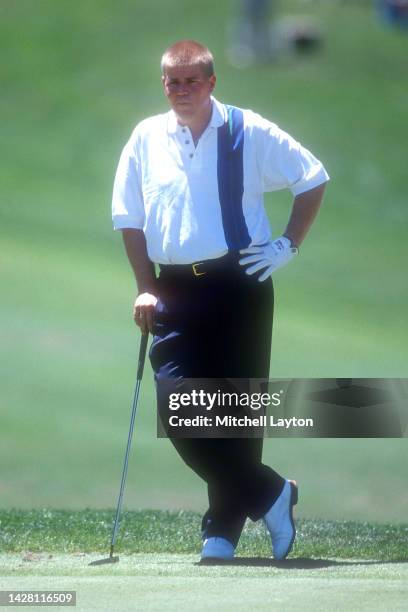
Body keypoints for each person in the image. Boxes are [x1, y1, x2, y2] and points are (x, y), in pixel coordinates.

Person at [111, 40, 329, 561]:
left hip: (241, 282)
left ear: (211, 83)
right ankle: (273, 492)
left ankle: (223, 527)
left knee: (234, 413)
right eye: (172, 82)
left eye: (191, 81)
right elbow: (129, 217)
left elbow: (312, 177)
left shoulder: (245, 130)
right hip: (173, 289)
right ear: (163, 84)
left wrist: (288, 243)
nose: (180, 91)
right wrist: (144, 283)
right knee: (182, 407)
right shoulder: (146, 136)